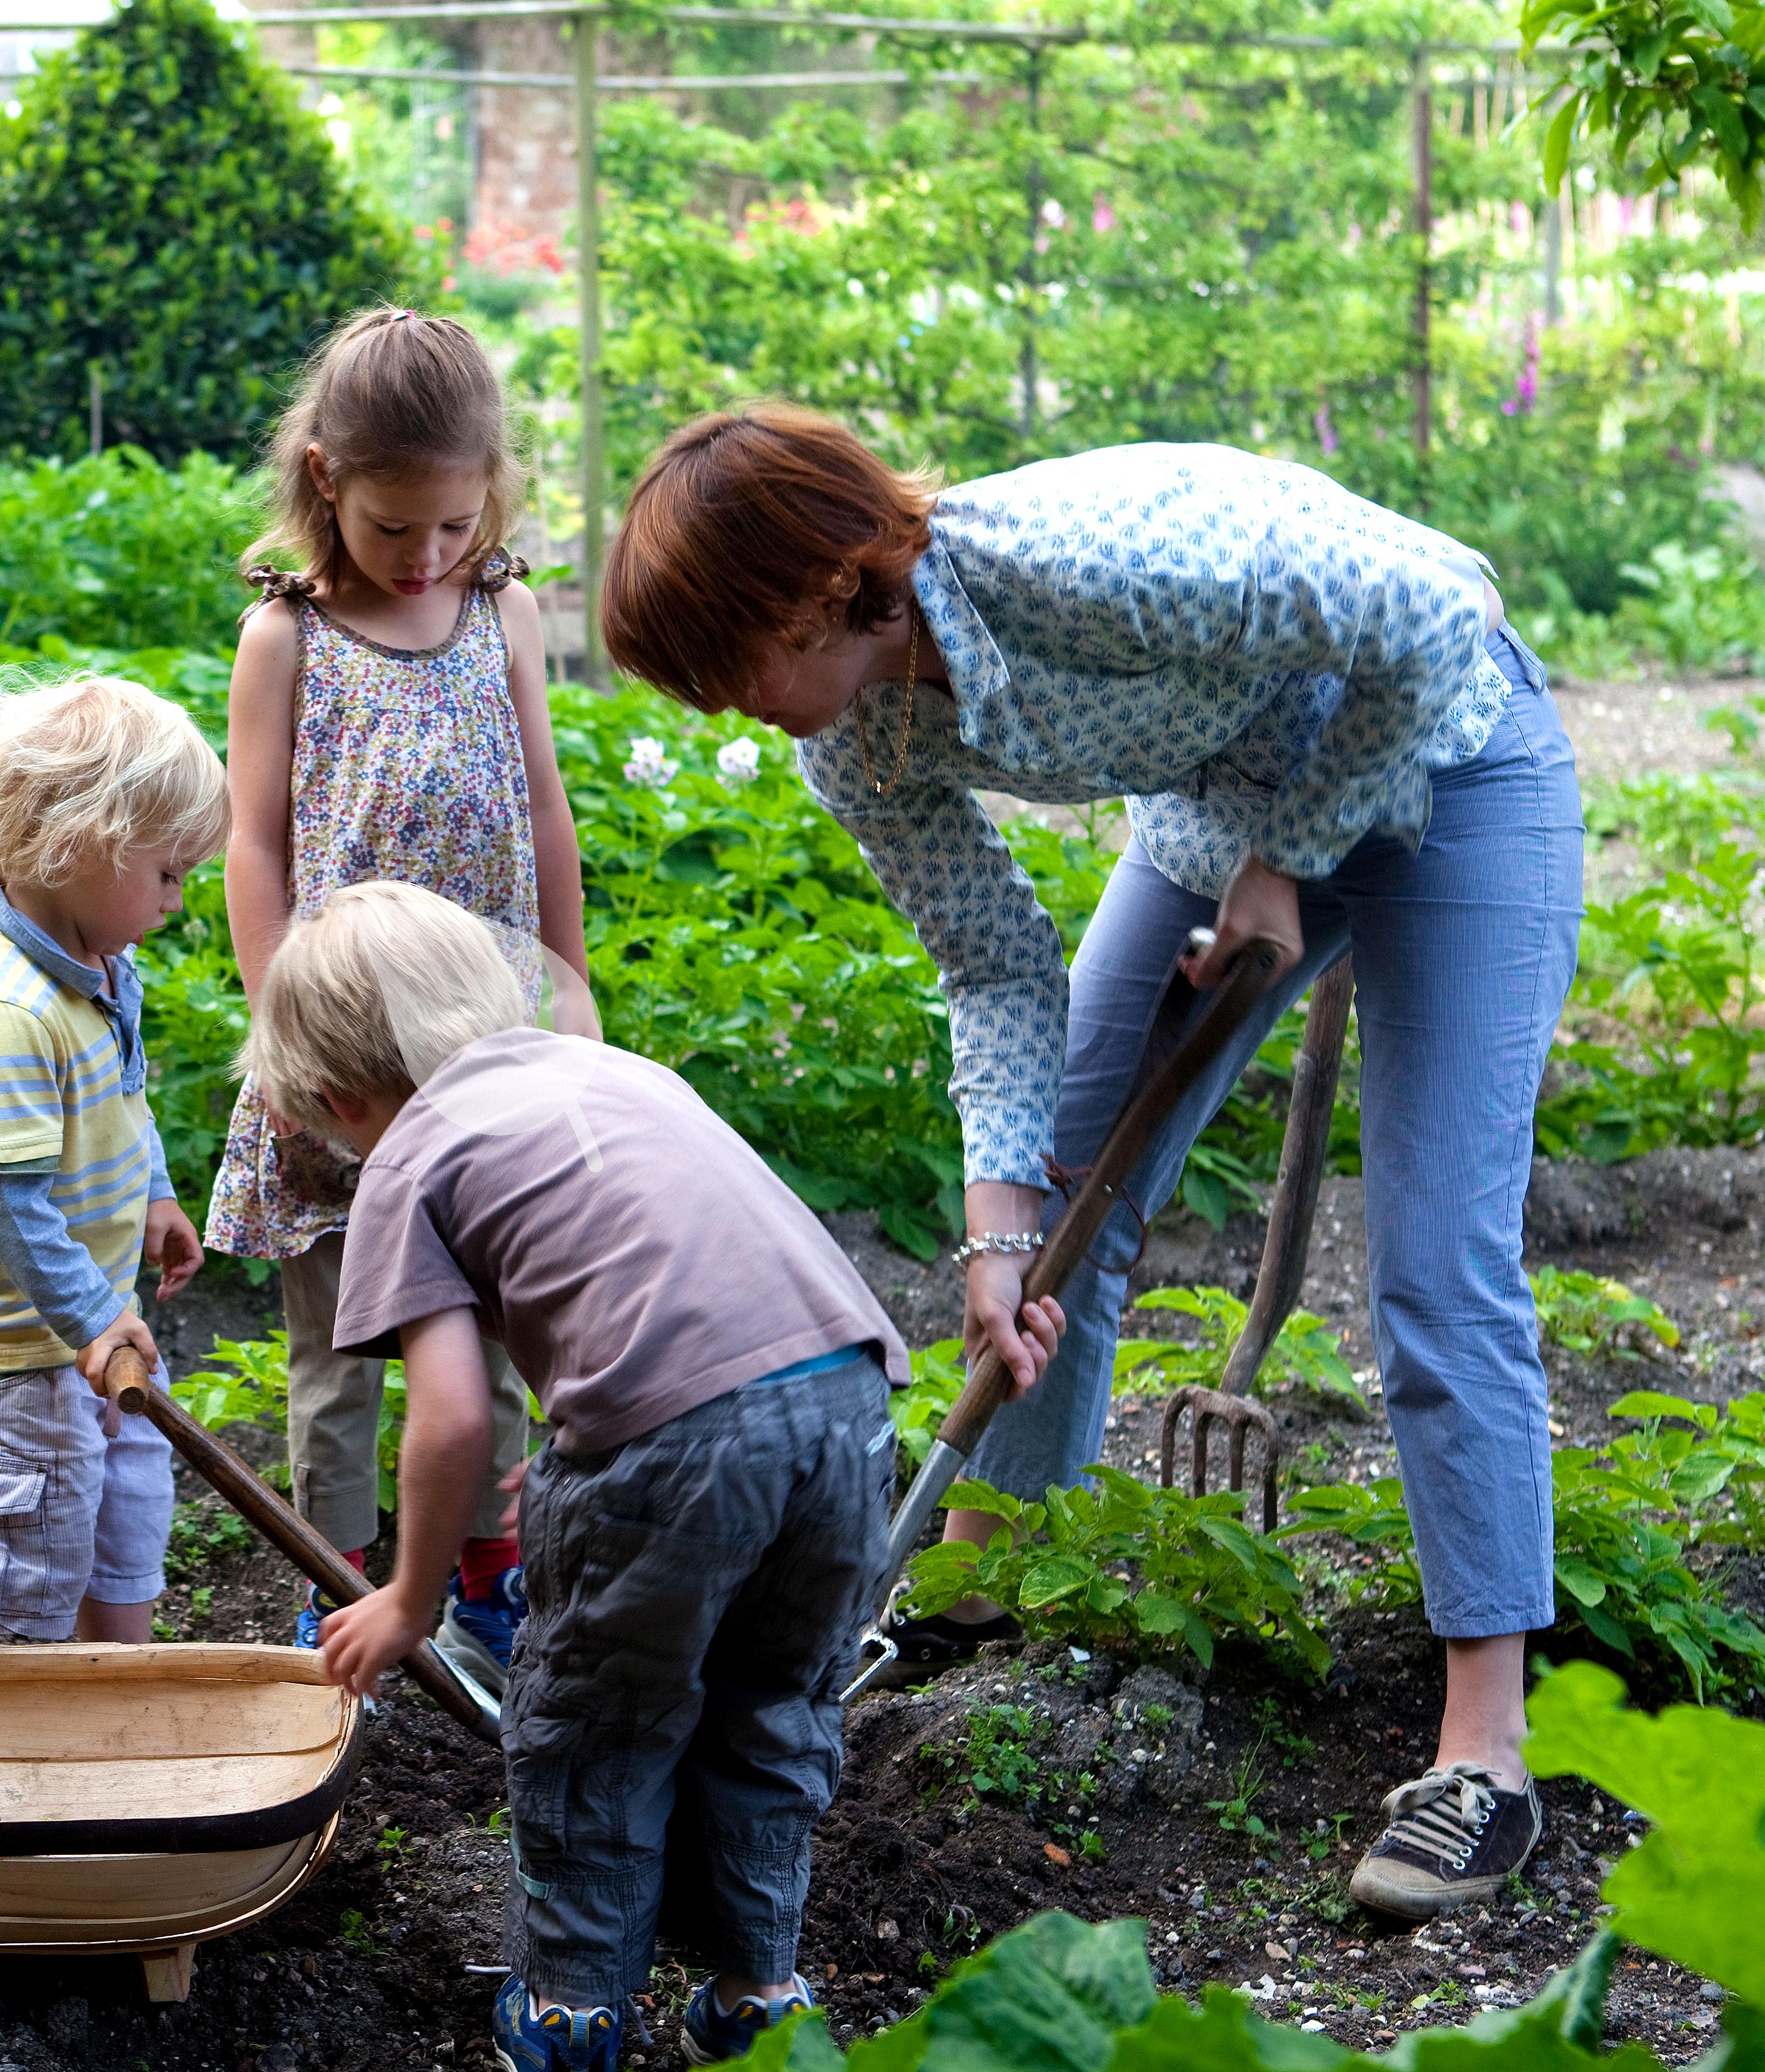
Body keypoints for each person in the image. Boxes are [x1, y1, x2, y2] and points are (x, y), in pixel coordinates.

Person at [600, 404, 1584, 1924]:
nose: (733, 707)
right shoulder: (854, 741)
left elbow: (1443, 609)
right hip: (1229, 816)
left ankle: (1482, 1754)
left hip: (1452, 761)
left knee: (1433, 1261)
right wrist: (997, 1229)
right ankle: (997, 1584)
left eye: (731, 661)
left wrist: (1289, 854)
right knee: (1062, 1194)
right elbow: (993, 966)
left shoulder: (1089, 555)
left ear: (819, 589)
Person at [247, 881, 1015, 2072]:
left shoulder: (405, 1156)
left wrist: (409, 1598)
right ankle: (756, 1999)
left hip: (679, 1442)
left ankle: (568, 2020)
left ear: (341, 1098)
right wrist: (587, 1465)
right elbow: (655, 1282)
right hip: (848, 1404)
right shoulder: (610, 1073)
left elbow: (448, 1418)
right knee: (772, 1710)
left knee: (595, 1729)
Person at [210, 305, 589, 1689]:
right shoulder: (289, 640)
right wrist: (282, 1030)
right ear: (324, 483)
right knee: (337, 1355)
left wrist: (572, 985)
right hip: (345, 1054)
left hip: (481, 1048)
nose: (426, 555)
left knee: (487, 1340)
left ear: (489, 489)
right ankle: (338, 1596)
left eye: (451, 523)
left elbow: (542, 810)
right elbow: (254, 844)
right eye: (391, 530)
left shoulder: (504, 612)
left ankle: (482, 1592)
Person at [0, 672, 230, 1649]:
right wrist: (95, 1319)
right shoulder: (9, 1009)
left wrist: (154, 1195)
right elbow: (2, 1195)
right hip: (18, 1365)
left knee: (120, 1533)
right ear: (74, 843)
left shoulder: (97, 967)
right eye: (169, 873)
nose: (179, 901)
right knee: (7, 1582)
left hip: (97, 1339)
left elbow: (118, 1105)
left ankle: (113, 1728)